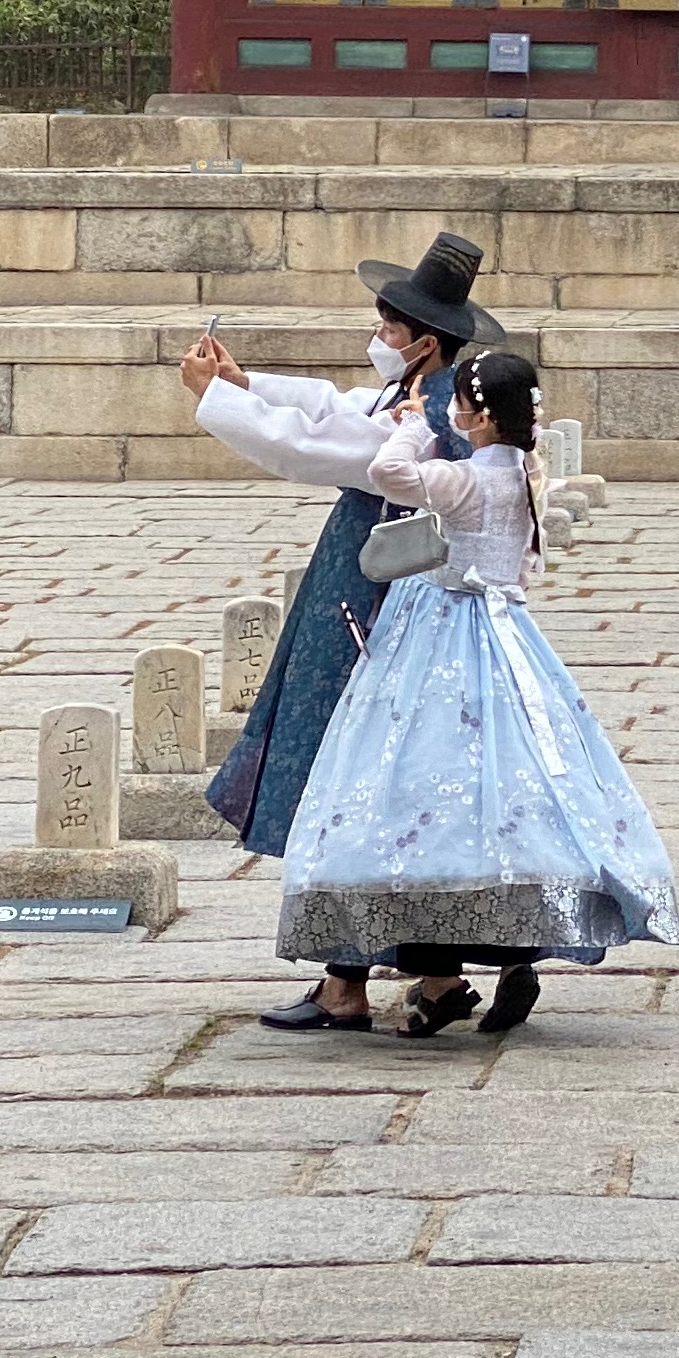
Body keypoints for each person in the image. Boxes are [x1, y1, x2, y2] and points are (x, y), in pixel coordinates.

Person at [276, 345, 679, 1035]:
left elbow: (388, 472)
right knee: (509, 786)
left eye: (461, 405)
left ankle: (419, 967)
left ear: (482, 417)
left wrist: (414, 425)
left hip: (437, 631)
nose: (453, 413)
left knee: (409, 779)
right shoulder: (524, 471)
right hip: (505, 636)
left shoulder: (466, 480)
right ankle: (482, 962)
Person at [186, 228, 505, 1034]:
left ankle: (348, 983)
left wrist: (215, 399)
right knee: (388, 780)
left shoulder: (424, 414)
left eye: (389, 326)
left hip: (376, 606)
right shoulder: (428, 393)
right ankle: (431, 975)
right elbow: (336, 405)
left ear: (424, 342)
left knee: (349, 773)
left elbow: (314, 447)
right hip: (384, 595)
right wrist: (247, 380)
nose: (379, 335)